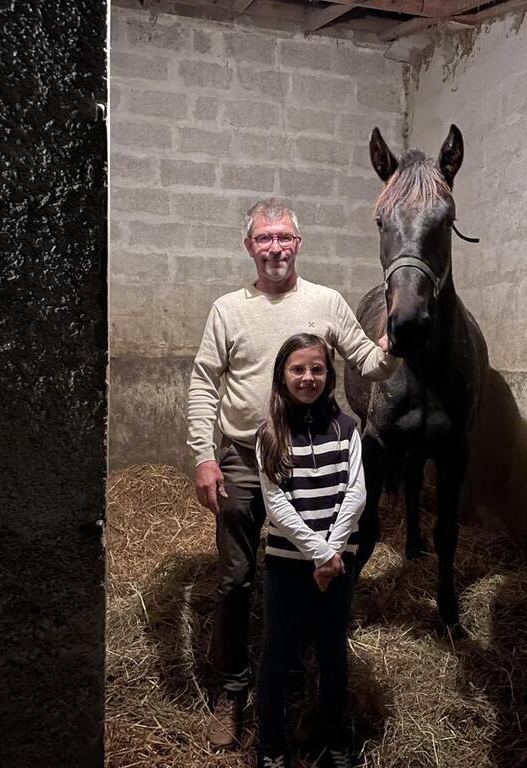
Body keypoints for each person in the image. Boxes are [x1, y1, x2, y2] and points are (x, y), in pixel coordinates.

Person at [186, 198, 398, 749]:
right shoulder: (227, 309)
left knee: (304, 565)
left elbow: (367, 362)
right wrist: (204, 456)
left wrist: (395, 342)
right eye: (263, 239)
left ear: (298, 244)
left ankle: (296, 666)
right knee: (235, 577)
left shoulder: (325, 302)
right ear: (249, 246)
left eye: (283, 237)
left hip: (307, 460)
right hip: (241, 456)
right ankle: (233, 689)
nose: (274, 247)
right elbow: (204, 383)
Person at [254, 333, 364, 768]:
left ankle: (335, 738)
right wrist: (318, 552)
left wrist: (331, 553)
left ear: (329, 375)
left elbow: (355, 494)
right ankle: (270, 745)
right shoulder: (270, 434)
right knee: (276, 655)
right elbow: (276, 505)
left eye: (317, 369)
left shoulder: (348, 429)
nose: (308, 377)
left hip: (336, 565)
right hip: (288, 566)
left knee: (333, 653)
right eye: (298, 369)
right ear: (283, 376)